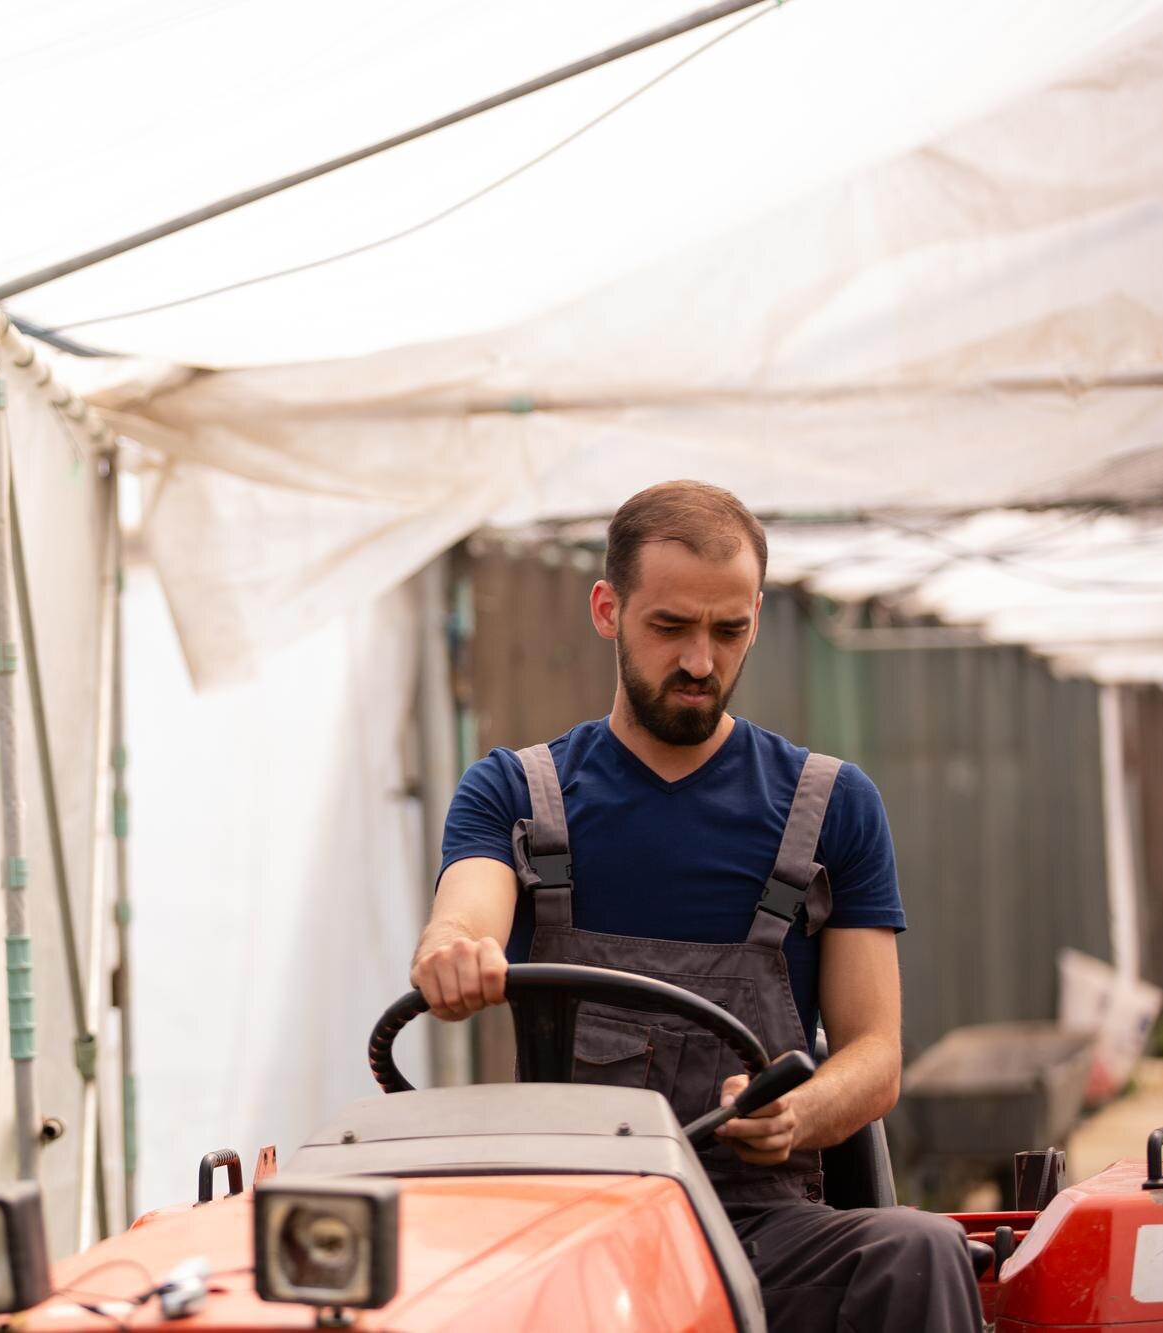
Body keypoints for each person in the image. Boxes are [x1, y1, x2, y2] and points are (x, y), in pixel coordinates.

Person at [411, 480, 982, 1330]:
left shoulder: (831, 806)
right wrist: (454, 947)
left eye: (729, 630)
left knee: (919, 1249)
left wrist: (799, 1112)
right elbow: (467, 913)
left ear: (755, 610)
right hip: (575, 1224)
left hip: (762, 1225)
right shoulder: (517, 793)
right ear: (608, 608)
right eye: (670, 627)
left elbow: (874, 1055)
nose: (700, 662)